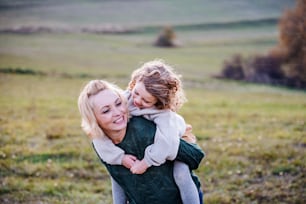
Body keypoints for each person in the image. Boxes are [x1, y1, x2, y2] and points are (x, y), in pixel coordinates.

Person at [78, 79, 205, 203]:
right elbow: (117, 177)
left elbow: (195, 155)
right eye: (106, 110)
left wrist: (152, 158)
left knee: (182, 174)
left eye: (118, 103)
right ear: (93, 119)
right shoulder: (101, 144)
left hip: (179, 199)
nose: (117, 112)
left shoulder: (146, 130)